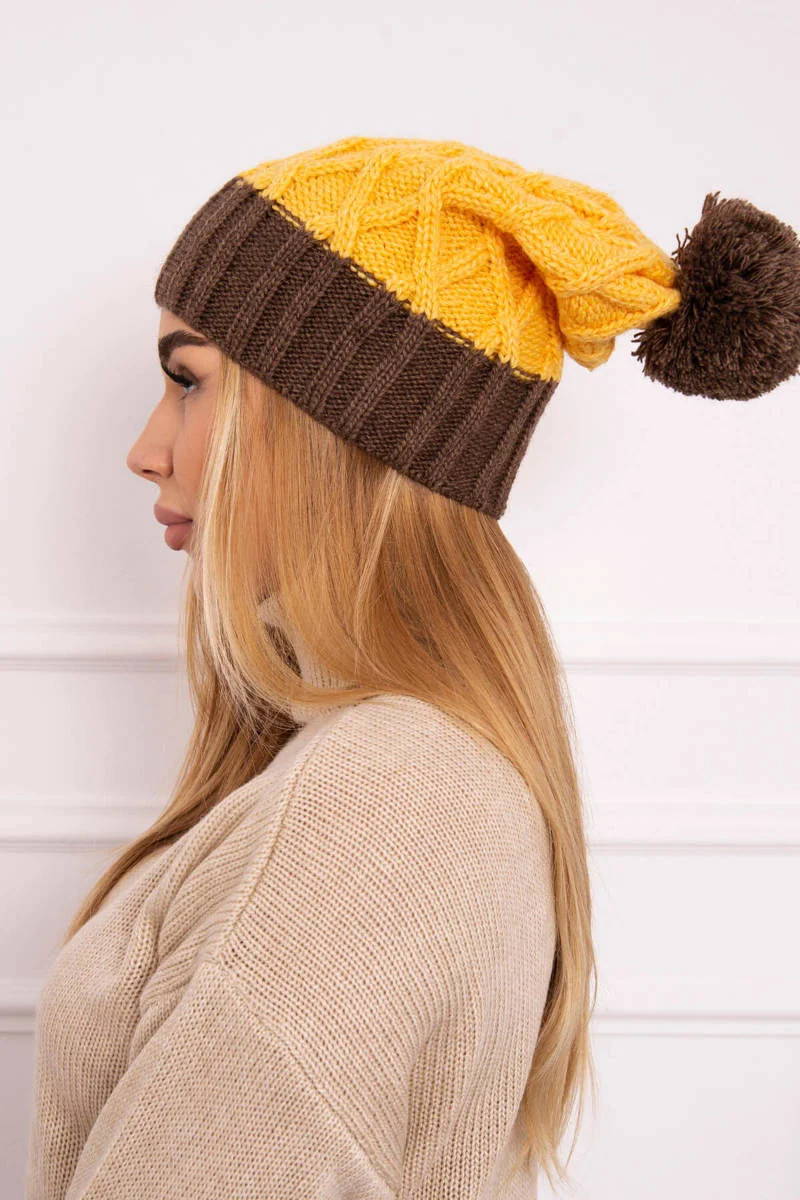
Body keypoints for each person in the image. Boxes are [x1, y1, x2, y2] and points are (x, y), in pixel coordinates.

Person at [24, 135, 800, 1200]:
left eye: (188, 382)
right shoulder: (412, 768)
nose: (146, 449)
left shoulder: (378, 803)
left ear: (327, 425)